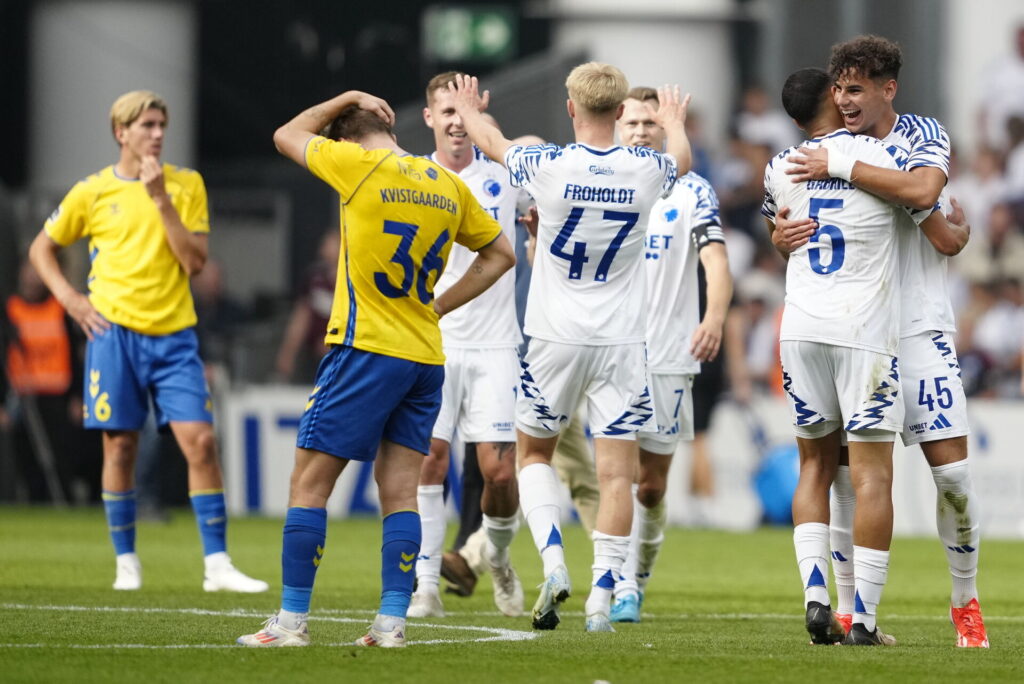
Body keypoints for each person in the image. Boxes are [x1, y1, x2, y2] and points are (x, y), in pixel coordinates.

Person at [237, 90, 514, 648]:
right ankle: (391, 623)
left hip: (364, 348)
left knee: (309, 484)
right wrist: (438, 305)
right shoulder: (445, 184)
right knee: (402, 490)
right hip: (424, 355)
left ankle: (291, 622)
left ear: (343, 139)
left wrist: (347, 96)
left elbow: (286, 134)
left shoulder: (356, 164)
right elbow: (502, 255)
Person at [449, 64, 691, 632]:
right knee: (615, 476)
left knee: (533, 455)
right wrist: (674, 122)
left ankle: (553, 560)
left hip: (554, 337)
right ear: (618, 111)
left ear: (570, 108)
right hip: (622, 344)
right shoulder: (647, 167)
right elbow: (681, 158)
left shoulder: (548, 165)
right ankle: (603, 598)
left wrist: (467, 107)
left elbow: (490, 141)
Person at [784, 34, 985, 648]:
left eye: (855, 89)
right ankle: (850, 611)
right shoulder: (820, 154)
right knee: (851, 473)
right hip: (848, 329)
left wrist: (841, 168)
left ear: (887, 89)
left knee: (953, 477)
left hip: (917, 329)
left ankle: (965, 599)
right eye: (838, 89)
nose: (843, 101)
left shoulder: (919, 135)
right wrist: (779, 237)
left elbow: (929, 204)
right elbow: (785, 221)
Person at [27, 90, 267, 593]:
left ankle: (217, 565)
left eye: (162, 124)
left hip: (174, 337)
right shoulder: (92, 191)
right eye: (148, 125)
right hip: (113, 335)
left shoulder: (185, 185)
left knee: (200, 442)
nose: (158, 133)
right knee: (120, 448)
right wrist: (71, 300)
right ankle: (127, 562)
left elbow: (195, 263)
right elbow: (41, 249)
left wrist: (160, 199)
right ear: (122, 133)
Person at [764, 67, 942, 646]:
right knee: (870, 476)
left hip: (800, 329)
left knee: (814, 466)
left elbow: (780, 227)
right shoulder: (881, 157)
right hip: (863, 333)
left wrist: (776, 239)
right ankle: (861, 618)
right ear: (833, 100)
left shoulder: (780, 165)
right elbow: (927, 208)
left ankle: (817, 595)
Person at [607, 86, 733, 623]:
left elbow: (717, 262)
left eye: (649, 124)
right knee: (612, 474)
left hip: (668, 357)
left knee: (651, 484)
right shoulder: (603, 183)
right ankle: (611, 584)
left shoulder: (691, 191)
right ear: (616, 126)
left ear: (666, 131)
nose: (639, 132)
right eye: (631, 123)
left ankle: (637, 575)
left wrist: (714, 316)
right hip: (609, 354)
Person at [407, 73, 527, 619]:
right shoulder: (410, 177)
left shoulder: (507, 174)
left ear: (478, 114)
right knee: (430, 461)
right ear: (429, 117)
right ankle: (426, 584)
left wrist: (541, 227)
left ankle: (494, 556)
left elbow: (555, 213)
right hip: (432, 341)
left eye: (464, 111)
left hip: (497, 344)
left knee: (499, 473)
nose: (456, 122)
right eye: (445, 111)